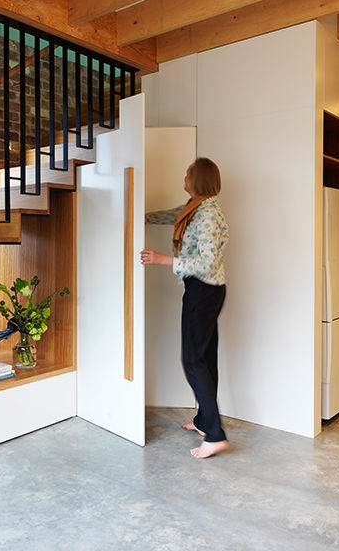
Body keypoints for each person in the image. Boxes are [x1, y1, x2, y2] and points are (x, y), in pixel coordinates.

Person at [140, 157, 229, 459]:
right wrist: (142, 216)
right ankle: (205, 420)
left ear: (198, 178)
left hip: (204, 291)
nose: (185, 175)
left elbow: (206, 262)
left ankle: (215, 435)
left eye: (188, 172)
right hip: (205, 291)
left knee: (193, 360)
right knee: (204, 357)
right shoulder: (194, 208)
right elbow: (172, 215)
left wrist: (161, 259)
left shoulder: (206, 215)